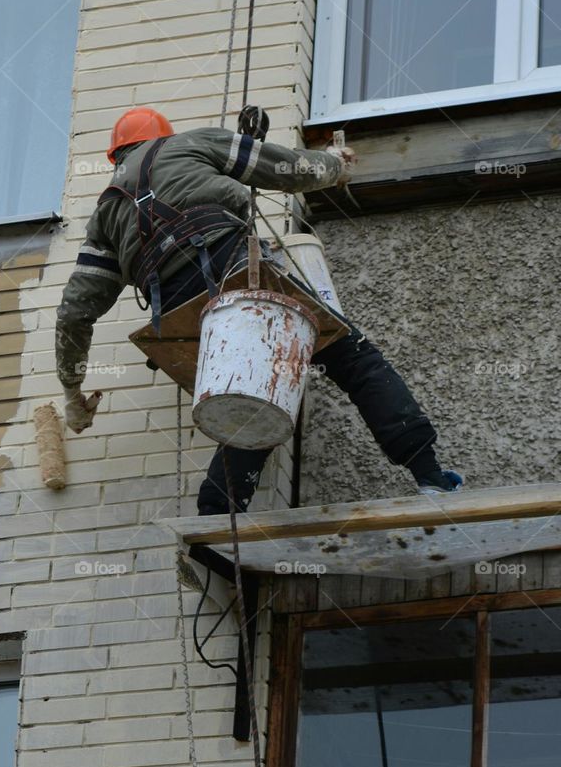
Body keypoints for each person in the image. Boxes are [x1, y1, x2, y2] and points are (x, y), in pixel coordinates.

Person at [55, 107, 461, 515]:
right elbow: (286, 168)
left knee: (256, 394)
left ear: (117, 156)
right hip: (234, 271)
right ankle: (430, 476)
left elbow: (75, 313)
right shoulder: (190, 143)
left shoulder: (106, 213)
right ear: (161, 136)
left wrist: (73, 394)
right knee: (355, 359)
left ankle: (217, 513)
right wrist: (334, 166)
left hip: (184, 315)